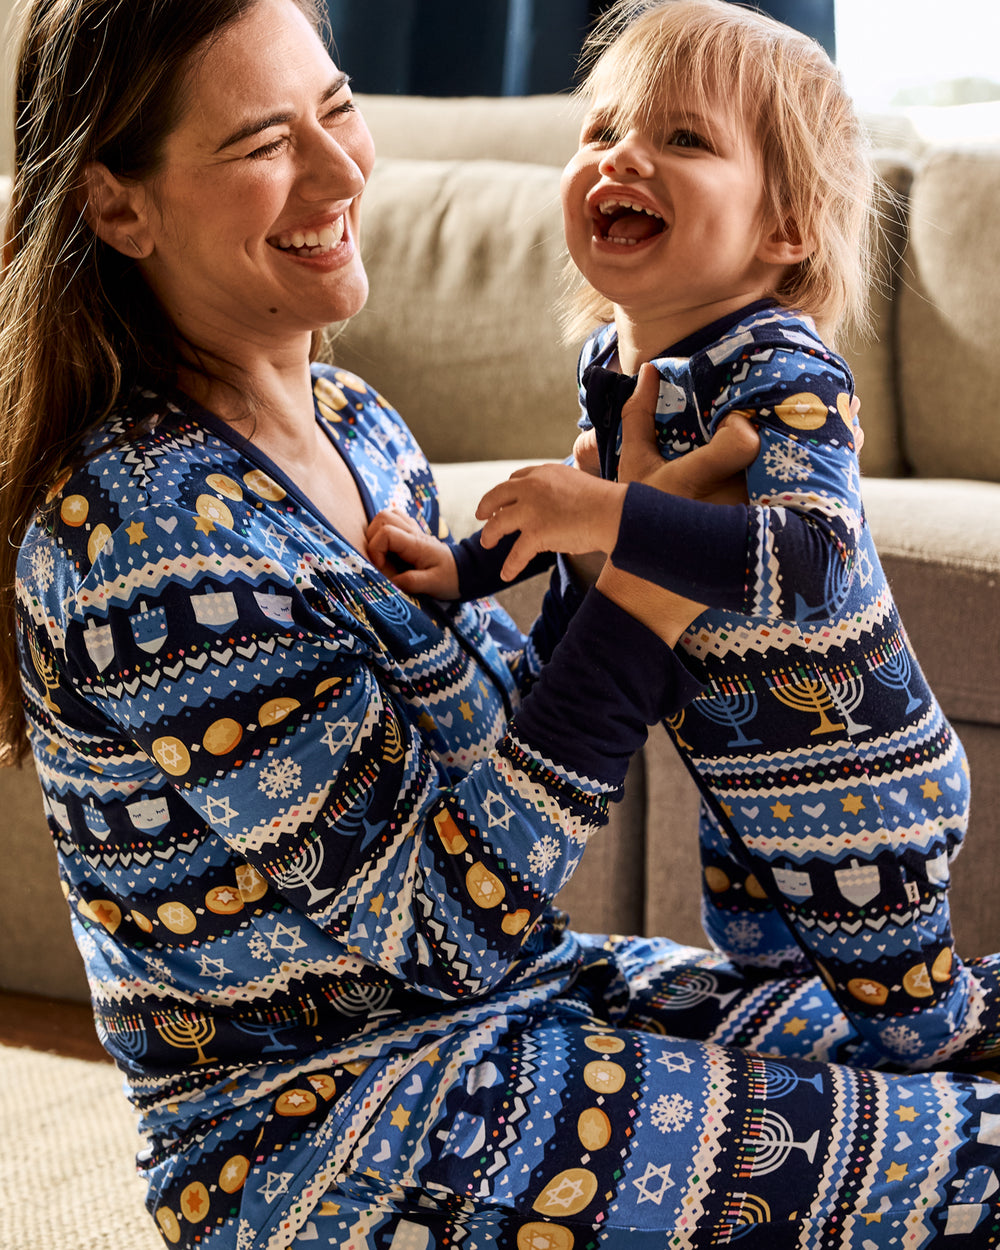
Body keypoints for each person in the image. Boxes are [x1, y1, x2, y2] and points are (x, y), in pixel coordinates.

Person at [2, 2, 999, 1249]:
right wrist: (639, 586)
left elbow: (506, 736)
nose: (341, 169)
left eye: (338, 108)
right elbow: (445, 925)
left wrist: (606, 540)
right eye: (264, 144)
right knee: (983, 1159)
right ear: (117, 206)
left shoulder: (357, 423)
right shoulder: (139, 546)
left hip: (531, 996)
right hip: (322, 1133)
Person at [366, 0, 1000, 1076]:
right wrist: (463, 570)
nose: (624, 157)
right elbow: (587, 521)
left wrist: (601, 509)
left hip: (856, 787)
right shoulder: (616, 368)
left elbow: (812, 559)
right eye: (603, 130)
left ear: (783, 229)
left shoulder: (785, 365)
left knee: (917, 1029)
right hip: (743, 779)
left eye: (682, 138)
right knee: (777, 1011)